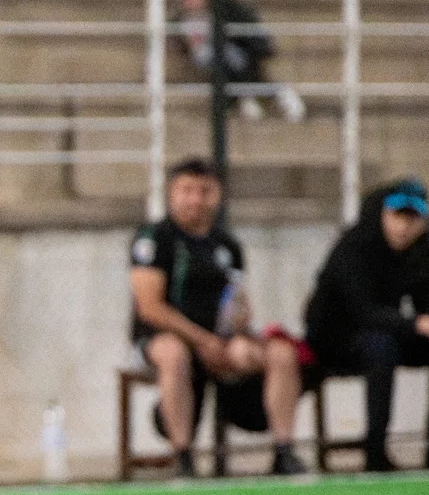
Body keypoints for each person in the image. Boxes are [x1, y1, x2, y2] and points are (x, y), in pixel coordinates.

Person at [129, 159, 306, 477]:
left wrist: (239, 324)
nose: (196, 199)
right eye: (187, 191)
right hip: (164, 338)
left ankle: (283, 451)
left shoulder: (227, 245)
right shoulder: (154, 239)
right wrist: (202, 339)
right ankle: (182, 455)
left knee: (280, 353)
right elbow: (150, 308)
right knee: (174, 354)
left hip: (218, 341)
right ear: (171, 193)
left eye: (205, 191)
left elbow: (237, 299)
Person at [302, 178, 429, 472]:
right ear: (382, 213)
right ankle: (375, 451)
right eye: (397, 216)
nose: (404, 226)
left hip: (385, 331)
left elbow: (427, 304)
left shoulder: (421, 246)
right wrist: (422, 324)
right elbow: (362, 312)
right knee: (381, 349)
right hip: (335, 338)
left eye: (413, 218)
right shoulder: (354, 245)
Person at [171, 0, 303, 122]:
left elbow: (252, 39)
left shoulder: (228, 13)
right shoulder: (181, 19)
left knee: (226, 58)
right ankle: (246, 97)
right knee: (214, 57)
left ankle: (254, 96)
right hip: (212, 61)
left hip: (237, 59)